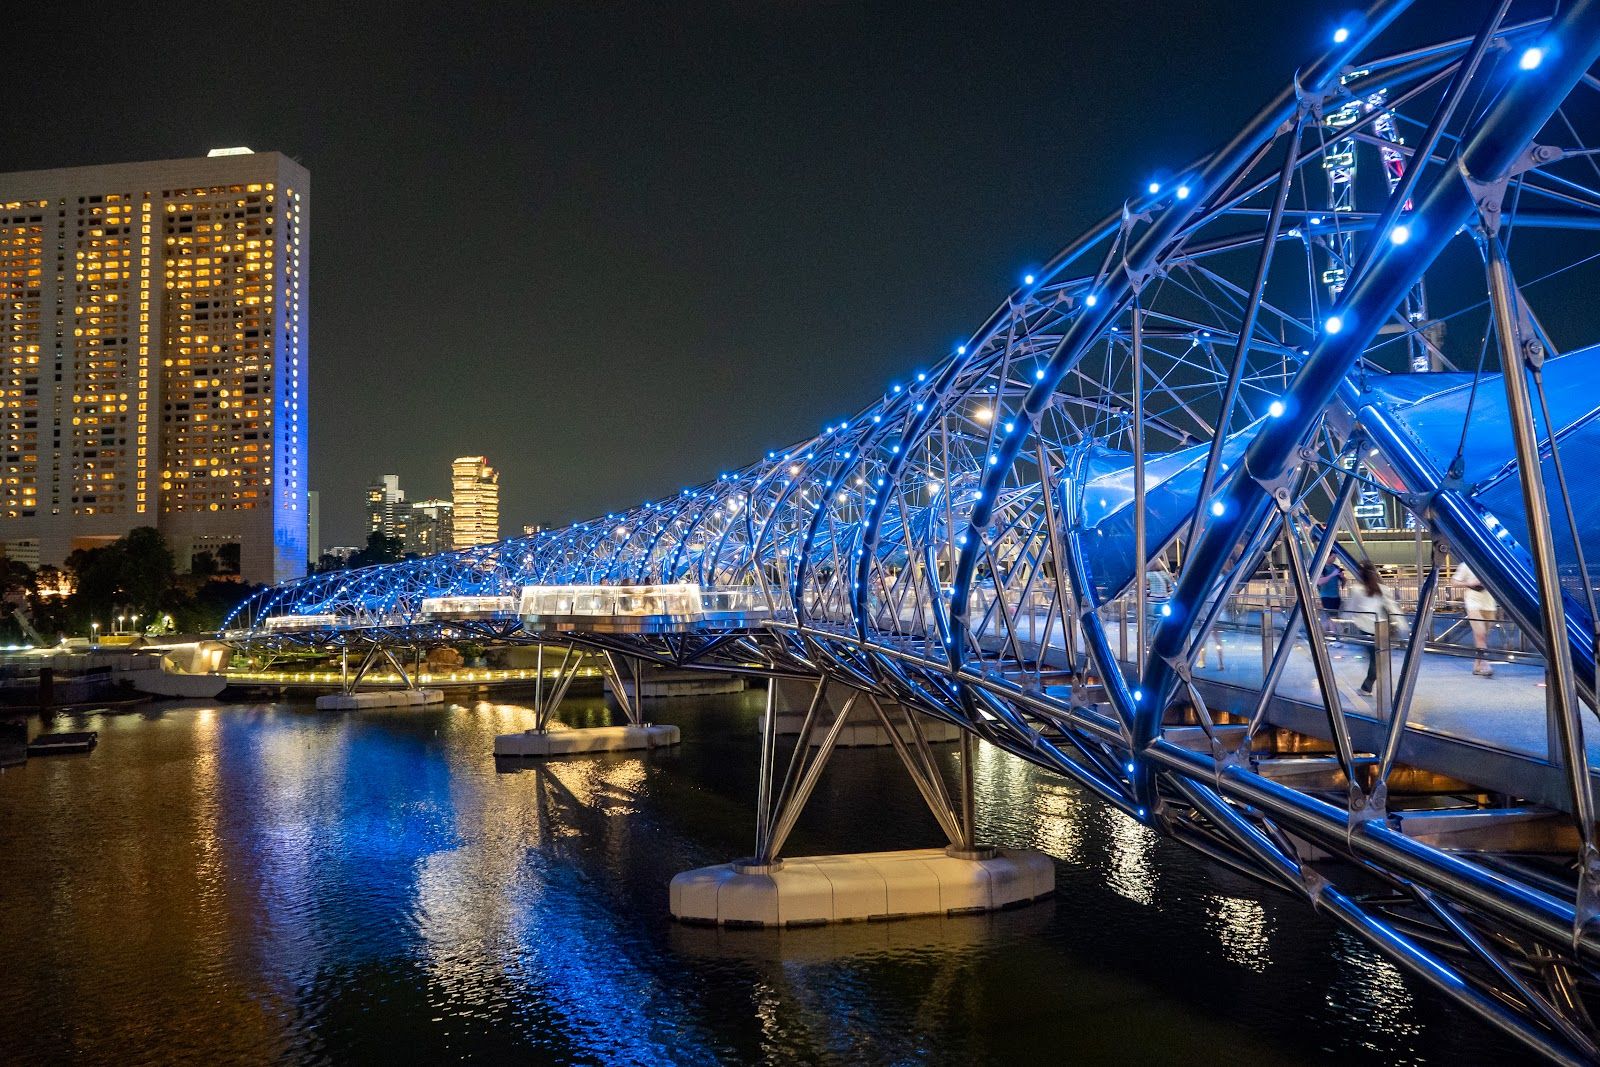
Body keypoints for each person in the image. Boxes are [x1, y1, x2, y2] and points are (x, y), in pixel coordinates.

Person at [1345, 561, 1403, 696]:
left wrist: (1343, 620)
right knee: (1377, 658)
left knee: (1374, 659)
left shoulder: (1357, 590)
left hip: (1366, 628)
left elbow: (1350, 608)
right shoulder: (1383, 589)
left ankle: (1367, 687)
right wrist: (1400, 623)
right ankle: (1369, 686)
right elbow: (1392, 607)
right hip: (1382, 627)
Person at [1451, 560, 1497, 677]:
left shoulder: (1491, 564)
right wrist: (1469, 583)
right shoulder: (1466, 565)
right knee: (1480, 634)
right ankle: (1484, 664)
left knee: (1482, 636)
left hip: (1489, 603)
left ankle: (1477, 664)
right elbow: (1454, 582)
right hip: (1473, 603)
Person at [1316, 561, 1345, 641]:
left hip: (1336, 596)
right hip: (1326, 596)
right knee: (1331, 617)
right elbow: (1320, 582)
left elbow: (1343, 582)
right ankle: (1333, 636)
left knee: (1332, 617)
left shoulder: (1335, 567)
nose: (1334, 559)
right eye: (1332, 557)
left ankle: (1328, 634)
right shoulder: (1322, 568)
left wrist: (1342, 577)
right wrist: (1333, 574)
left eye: (1335, 557)